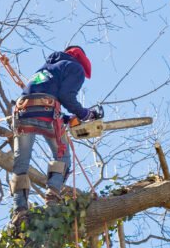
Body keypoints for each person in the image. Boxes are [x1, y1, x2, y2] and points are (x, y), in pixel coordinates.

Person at [9, 45, 102, 228]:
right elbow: (66, 96)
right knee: (63, 157)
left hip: (23, 112)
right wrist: (85, 114)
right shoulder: (75, 68)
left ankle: (19, 210)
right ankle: (52, 195)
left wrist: (67, 119)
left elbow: (49, 96)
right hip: (46, 112)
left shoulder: (46, 69)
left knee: (21, 163)